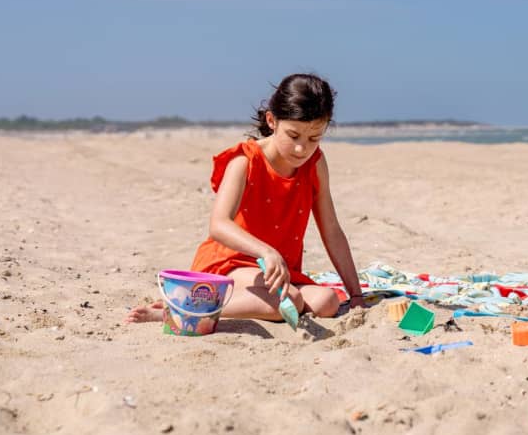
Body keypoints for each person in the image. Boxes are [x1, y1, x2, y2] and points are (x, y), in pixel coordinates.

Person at [126, 73, 365, 325]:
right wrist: (266, 251)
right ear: (272, 121)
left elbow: (332, 230)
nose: (301, 149)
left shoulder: (315, 165)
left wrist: (356, 294)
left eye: (314, 139)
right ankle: (184, 307)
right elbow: (218, 225)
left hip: (277, 271)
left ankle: (232, 302)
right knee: (289, 301)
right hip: (231, 263)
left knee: (327, 302)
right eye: (293, 136)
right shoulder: (245, 161)